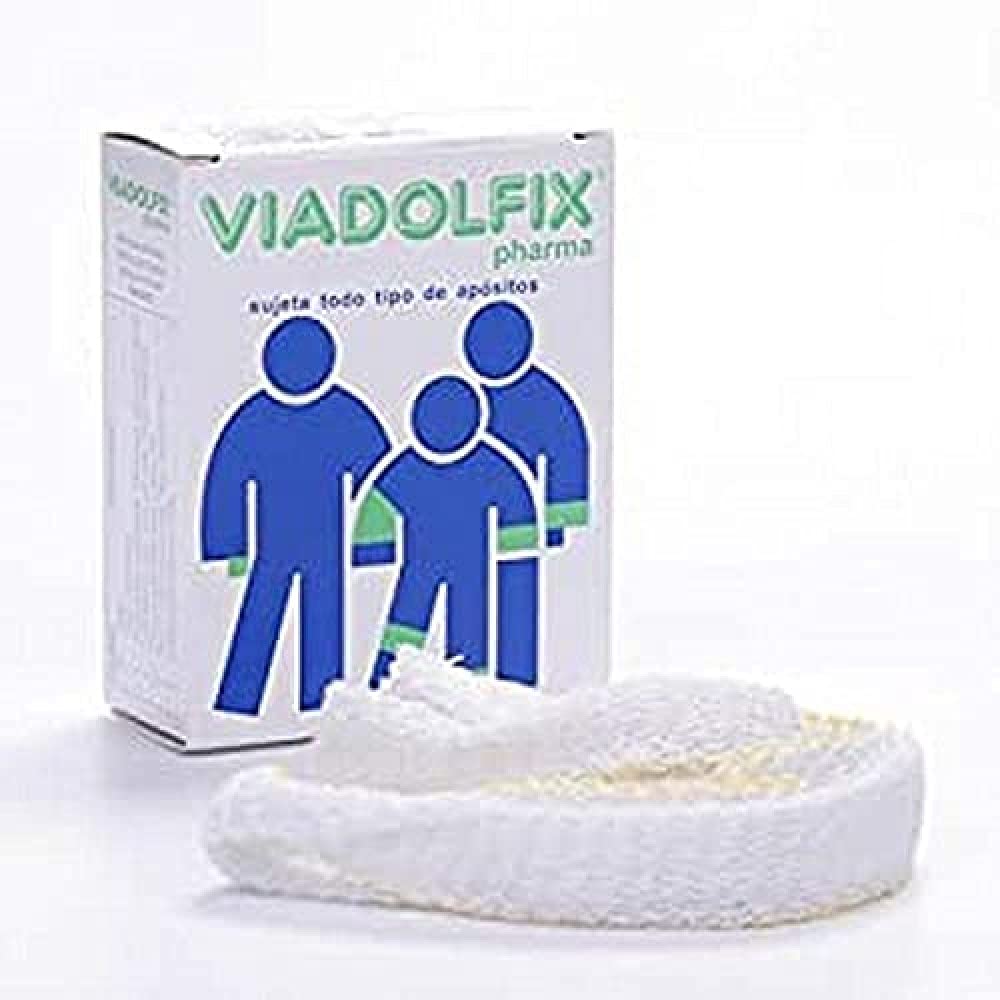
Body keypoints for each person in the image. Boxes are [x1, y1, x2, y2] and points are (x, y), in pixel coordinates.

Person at [201, 315, 391, 714]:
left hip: (328, 543)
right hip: (274, 543)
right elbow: (226, 484)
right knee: (262, 615)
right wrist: (230, 548)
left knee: (323, 620)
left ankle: (319, 706)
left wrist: (372, 546)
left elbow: (378, 484)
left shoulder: (345, 414)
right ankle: (239, 701)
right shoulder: (256, 417)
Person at [352, 374, 539, 688]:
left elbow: (518, 517)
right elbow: (378, 510)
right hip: (419, 565)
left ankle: (472, 700)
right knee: (405, 629)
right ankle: (382, 690)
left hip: (471, 568)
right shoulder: (406, 467)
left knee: (469, 635)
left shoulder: (491, 466)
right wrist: (372, 551)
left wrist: (514, 560)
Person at [462, 301, 590, 685]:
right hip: (473, 528)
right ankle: (470, 693)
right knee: (472, 618)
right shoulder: (466, 398)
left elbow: (568, 456)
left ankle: (519, 690)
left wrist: (555, 525)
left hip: (523, 534)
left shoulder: (545, 398)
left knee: (517, 615)